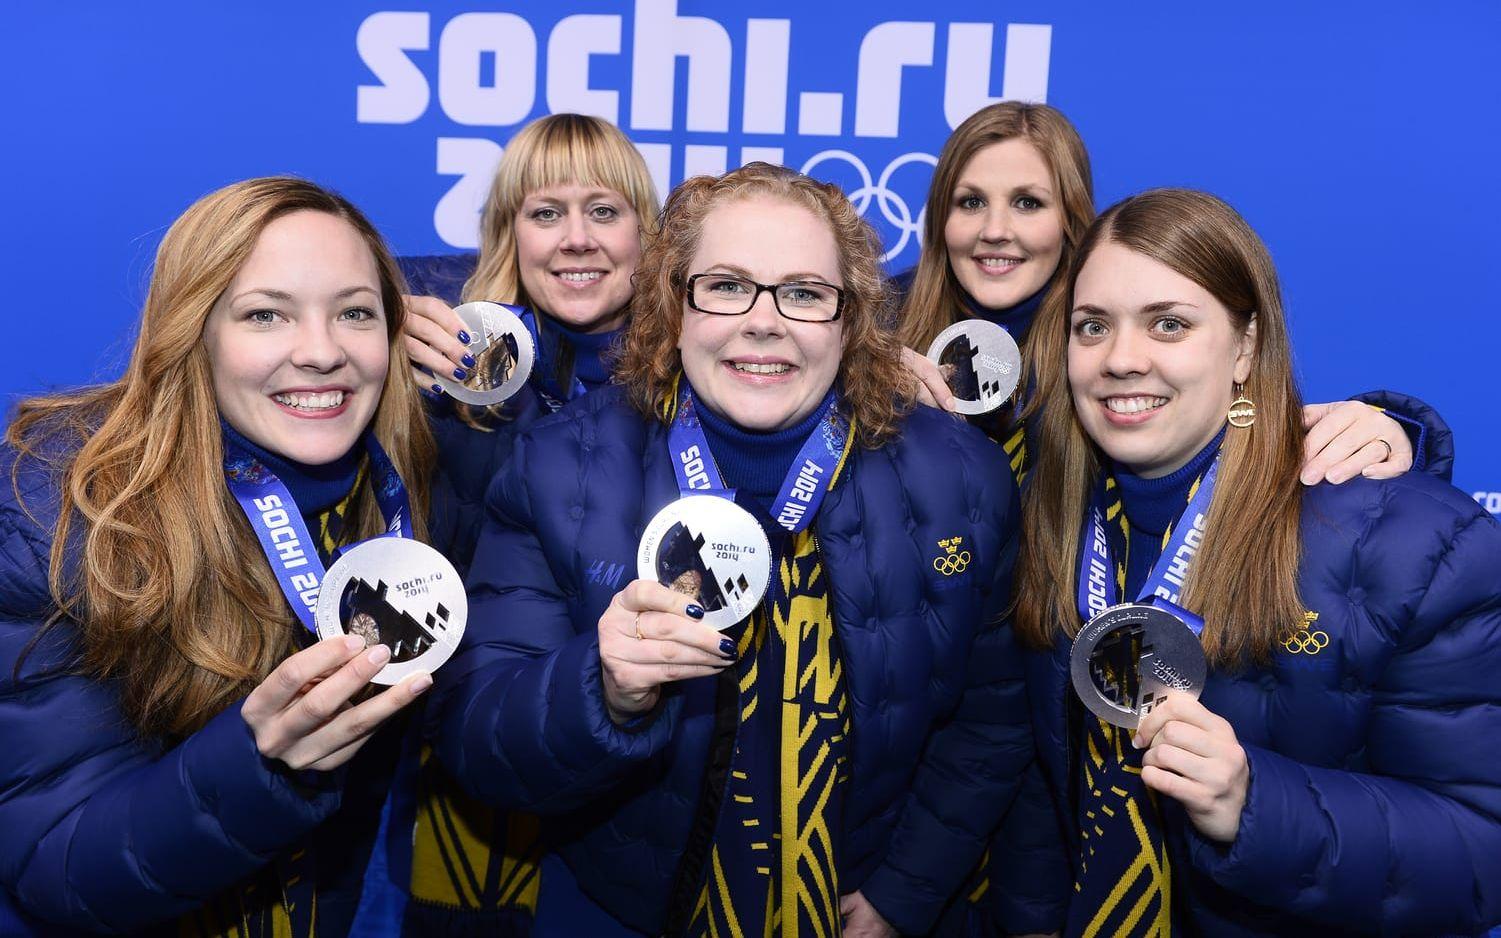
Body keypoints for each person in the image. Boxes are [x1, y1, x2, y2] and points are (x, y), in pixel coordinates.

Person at [428, 163, 1033, 937]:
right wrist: (601, 688)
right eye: (725, 286)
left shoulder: (961, 477)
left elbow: (989, 720)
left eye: (804, 293)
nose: (763, 321)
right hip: (627, 910)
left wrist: (904, 891)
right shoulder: (555, 467)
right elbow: (478, 737)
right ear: (672, 304)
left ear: (849, 319)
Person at [1010, 187, 1501, 935]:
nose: (1120, 359)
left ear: (1244, 347)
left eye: (1168, 324)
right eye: (1093, 326)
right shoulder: (1049, 516)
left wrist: (1254, 805)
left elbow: (1481, 851)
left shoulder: (1415, 542)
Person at [0, 177, 459, 934]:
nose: (322, 352)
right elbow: (56, 864)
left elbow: (567, 268)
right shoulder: (61, 518)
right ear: (193, 330)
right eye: (265, 314)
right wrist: (256, 764)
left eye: (354, 313)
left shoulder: (412, 481)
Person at [361, 113, 662, 936]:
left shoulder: (701, 374)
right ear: (509, 233)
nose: (576, 239)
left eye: (604, 211)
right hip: (474, 751)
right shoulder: (445, 366)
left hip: (638, 757)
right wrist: (380, 362)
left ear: (648, 234)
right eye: (545, 212)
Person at [894, 102, 1438, 487]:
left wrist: (1391, 432)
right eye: (970, 202)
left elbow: (1248, 420)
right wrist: (861, 387)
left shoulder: (1106, 339)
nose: (995, 230)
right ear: (940, 217)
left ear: (1071, 217)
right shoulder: (874, 327)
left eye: (1027, 203)